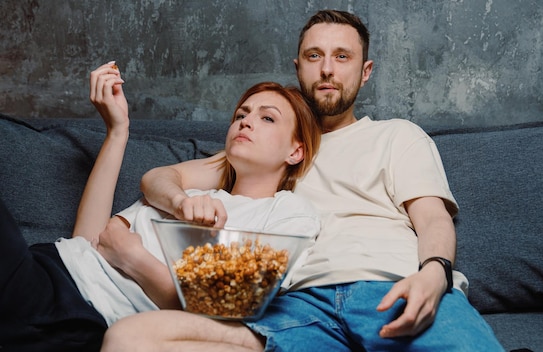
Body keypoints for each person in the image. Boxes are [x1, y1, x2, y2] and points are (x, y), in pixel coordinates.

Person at [101, 9, 505, 352]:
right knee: (131, 338)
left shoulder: (397, 135)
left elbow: (433, 218)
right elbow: (159, 178)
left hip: (388, 287)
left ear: (365, 72)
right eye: (315, 55)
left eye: (342, 56)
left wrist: (435, 273)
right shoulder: (269, 146)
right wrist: (177, 203)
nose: (327, 68)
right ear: (298, 68)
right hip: (292, 307)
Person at [0, 60, 321, 352]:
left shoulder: (287, 213)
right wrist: (117, 131)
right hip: (48, 265)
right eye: (241, 114)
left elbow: (218, 311)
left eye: (267, 118)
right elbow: (88, 242)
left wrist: (132, 256)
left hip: (80, 313)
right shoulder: (190, 193)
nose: (246, 122)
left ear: (296, 152)